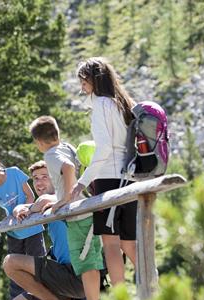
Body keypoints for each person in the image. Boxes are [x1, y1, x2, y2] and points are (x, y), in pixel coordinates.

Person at [24, 116, 103, 300]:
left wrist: (65, 199)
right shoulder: (66, 146)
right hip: (88, 211)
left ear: (39, 142)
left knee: (85, 263)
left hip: (77, 216)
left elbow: (67, 167)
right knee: (91, 261)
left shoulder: (51, 154)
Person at [71, 57, 137, 287]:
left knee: (110, 244)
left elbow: (105, 148)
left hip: (108, 178)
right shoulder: (123, 102)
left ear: (93, 79)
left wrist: (82, 182)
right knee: (130, 244)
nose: (82, 87)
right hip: (130, 178)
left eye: (83, 81)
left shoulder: (101, 104)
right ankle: (154, 294)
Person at [6, 161, 87, 300]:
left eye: (45, 177)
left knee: (10, 262)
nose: (39, 182)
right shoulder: (43, 205)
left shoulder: (66, 196)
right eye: (35, 178)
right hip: (61, 274)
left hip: (80, 273)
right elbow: (24, 206)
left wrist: (27, 210)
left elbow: (43, 201)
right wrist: (18, 209)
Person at [0, 148, 46, 300]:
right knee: (15, 272)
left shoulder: (14, 173)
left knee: (39, 268)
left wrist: (23, 211)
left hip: (32, 228)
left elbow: (30, 196)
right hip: (14, 233)